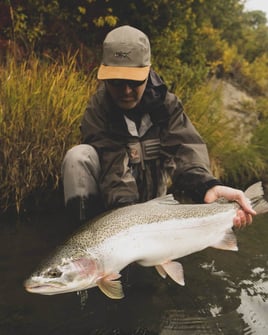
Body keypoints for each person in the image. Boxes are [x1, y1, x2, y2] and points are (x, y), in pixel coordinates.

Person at [61, 25, 255, 227]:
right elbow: (112, 167)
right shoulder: (98, 109)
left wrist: (207, 186)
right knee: (78, 156)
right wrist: (127, 222)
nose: (125, 90)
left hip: (156, 204)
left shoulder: (166, 105)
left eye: (133, 81)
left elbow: (186, 149)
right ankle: (84, 232)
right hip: (113, 208)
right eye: (116, 81)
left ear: (148, 72)